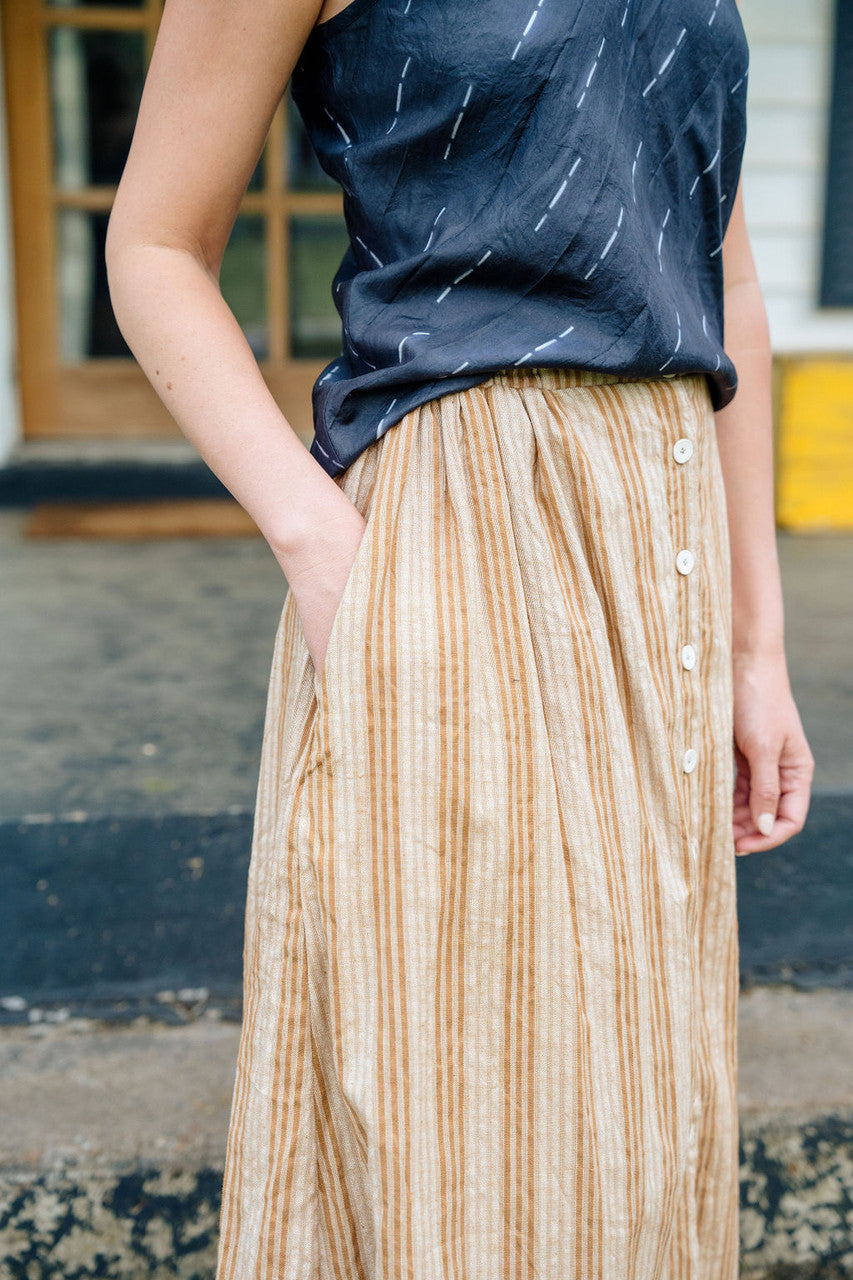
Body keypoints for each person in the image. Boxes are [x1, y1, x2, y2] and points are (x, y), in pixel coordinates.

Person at [106, 0, 815, 1274]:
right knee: (469, 1106)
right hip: (465, 526)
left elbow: (726, 278)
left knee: (640, 1116)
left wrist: (759, 645)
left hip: (665, 549)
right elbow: (154, 243)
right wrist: (327, 549)